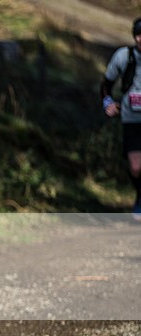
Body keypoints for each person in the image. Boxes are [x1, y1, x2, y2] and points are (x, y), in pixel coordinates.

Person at [102, 17, 141, 221]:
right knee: (136, 167)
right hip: (131, 118)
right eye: (138, 35)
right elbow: (106, 84)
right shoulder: (124, 57)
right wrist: (107, 102)